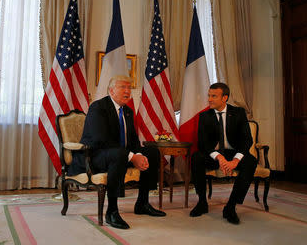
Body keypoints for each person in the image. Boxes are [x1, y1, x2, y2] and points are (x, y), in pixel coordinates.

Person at [68, 75, 165, 229]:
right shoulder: (98, 107)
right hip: (94, 156)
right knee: (119, 154)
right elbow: (102, 139)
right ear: (111, 91)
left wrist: (138, 155)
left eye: (129, 88)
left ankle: (142, 203)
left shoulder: (128, 111)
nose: (127, 91)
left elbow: (132, 141)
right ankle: (112, 211)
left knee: (152, 151)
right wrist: (132, 157)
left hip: (118, 154)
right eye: (123, 87)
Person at [189, 82, 257, 224]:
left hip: (234, 153)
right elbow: (203, 143)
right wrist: (219, 157)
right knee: (196, 157)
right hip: (213, 154)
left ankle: (230, 207)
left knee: (250, 161)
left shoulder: (238, 113)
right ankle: (202, 202)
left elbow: (247, 140)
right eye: (209, 95)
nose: (209, 99)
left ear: (224, 98)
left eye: (214, 96)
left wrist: (235, 161)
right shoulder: (204, 116)